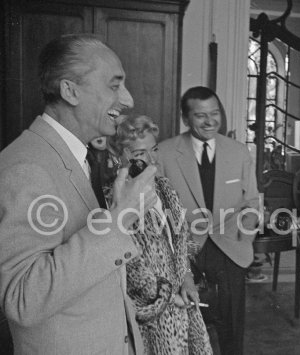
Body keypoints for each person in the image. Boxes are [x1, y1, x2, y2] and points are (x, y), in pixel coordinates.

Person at [0, 34, 158, 354]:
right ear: (70, 90)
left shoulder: (76, 156)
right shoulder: (27, 166)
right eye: (114, 86)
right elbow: (22, 299)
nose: (127, 99)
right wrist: (121, 218)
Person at [158, 86, 259, 355]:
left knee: (232, 331)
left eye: (215, 113)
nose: (210, 121)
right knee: (187, 330)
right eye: (200, 115)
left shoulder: (239, 151)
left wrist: (245, 235)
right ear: (185, 117)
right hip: (185, 252)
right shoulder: (164, 153)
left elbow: (251, 202)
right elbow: (157, 210)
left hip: (230, 250)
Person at [109, 115, 213, 355]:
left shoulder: (165, 188)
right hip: (151, 313)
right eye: (140, 153)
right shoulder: (115, 200)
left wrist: (187, 279)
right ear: (121, 156)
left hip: (182, 302)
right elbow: (131, 266)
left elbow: (181, 242)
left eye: (154, 149)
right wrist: (166, 299)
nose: (152, 159)